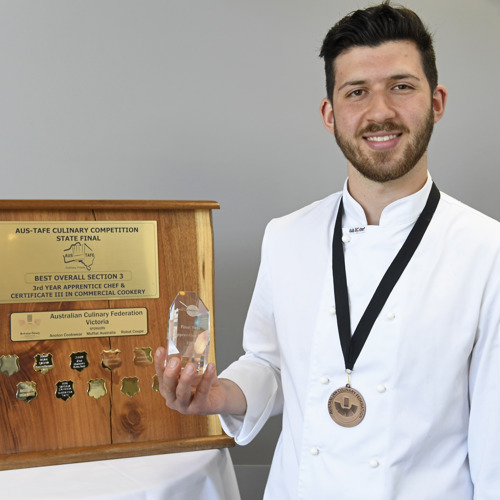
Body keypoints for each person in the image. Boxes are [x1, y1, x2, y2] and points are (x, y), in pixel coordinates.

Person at [155, 2, 500, 498]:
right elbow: (271, 364)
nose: (380, 111)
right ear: (329, 113)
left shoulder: (486, 252)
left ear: (437, 101)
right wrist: (221, 394)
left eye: (401, 86)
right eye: (356, 92)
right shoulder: (287, 235)